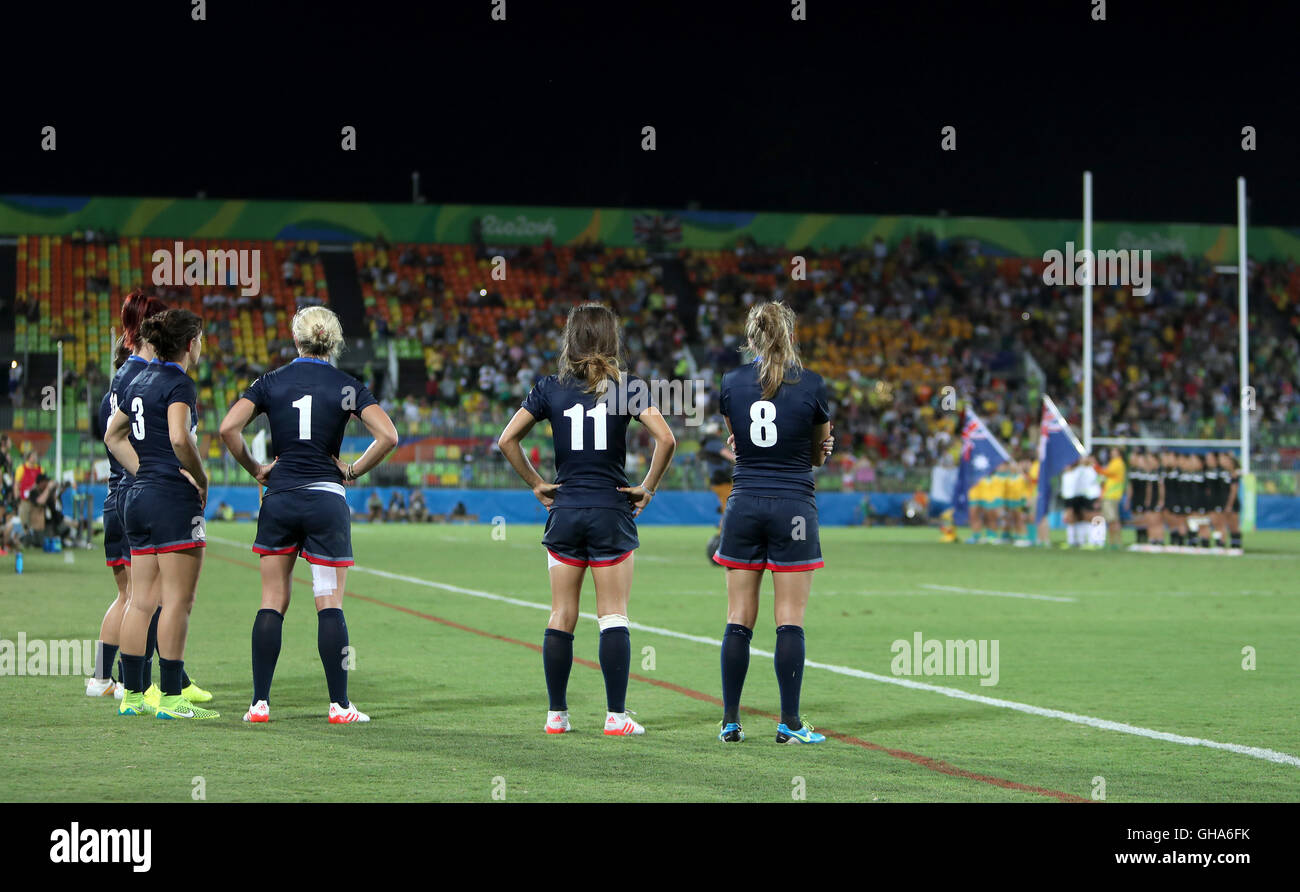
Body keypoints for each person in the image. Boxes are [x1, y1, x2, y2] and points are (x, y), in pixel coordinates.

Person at [497, 303, 676, 737]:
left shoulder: (549, 387)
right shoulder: (627, 388)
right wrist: (647, 487)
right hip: (612, 510)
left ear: (570, 339)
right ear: (612, 340)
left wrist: (537, 484)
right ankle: (616, 717)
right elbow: (666, 439)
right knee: (613, 615)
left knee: (561, 614)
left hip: (566, 510)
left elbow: (506, 439)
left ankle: (556, 716)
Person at [220, 306, 397, 724]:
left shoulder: (270, 383)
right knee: (328, 601)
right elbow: (388, 435)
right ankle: (339, 706)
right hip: (324, 500)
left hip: (280, 497)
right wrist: (352, 469)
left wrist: (256, 469)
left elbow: (229, 429)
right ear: (332, 342)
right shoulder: (347, 386)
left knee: (272, 601)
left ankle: (259, 704)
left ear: (296, 339)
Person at [712, 301, 834, 744]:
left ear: (751, 338)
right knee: (790, 620)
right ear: (790, 335)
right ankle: (790, 723)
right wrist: (820, 450)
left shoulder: (731, 382)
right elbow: (819, 453)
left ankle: (729, 721)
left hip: (743, 505)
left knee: (738, 618)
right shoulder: (813, 385)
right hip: (794, 509)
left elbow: (738, 440)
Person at [104, 308, 215, 720]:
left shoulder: (138, 380)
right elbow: (177, 436)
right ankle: (170, 698)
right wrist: (199, 478)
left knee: (140, 600)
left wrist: (143, 469)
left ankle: (132, 696)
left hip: (135, 497)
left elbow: (112, 435)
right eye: (200, 339)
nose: (201, 346)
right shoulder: (179, 384)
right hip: (172, 500)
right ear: (189, 344)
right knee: (177, 602)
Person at [86, 290, 169, 698]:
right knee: (145, 600)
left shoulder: (117, 382)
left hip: (113, 496)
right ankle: (133, 683)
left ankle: (102, 678)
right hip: (138, 496)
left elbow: (109, 435)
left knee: (127, 596)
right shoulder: (148, 378)